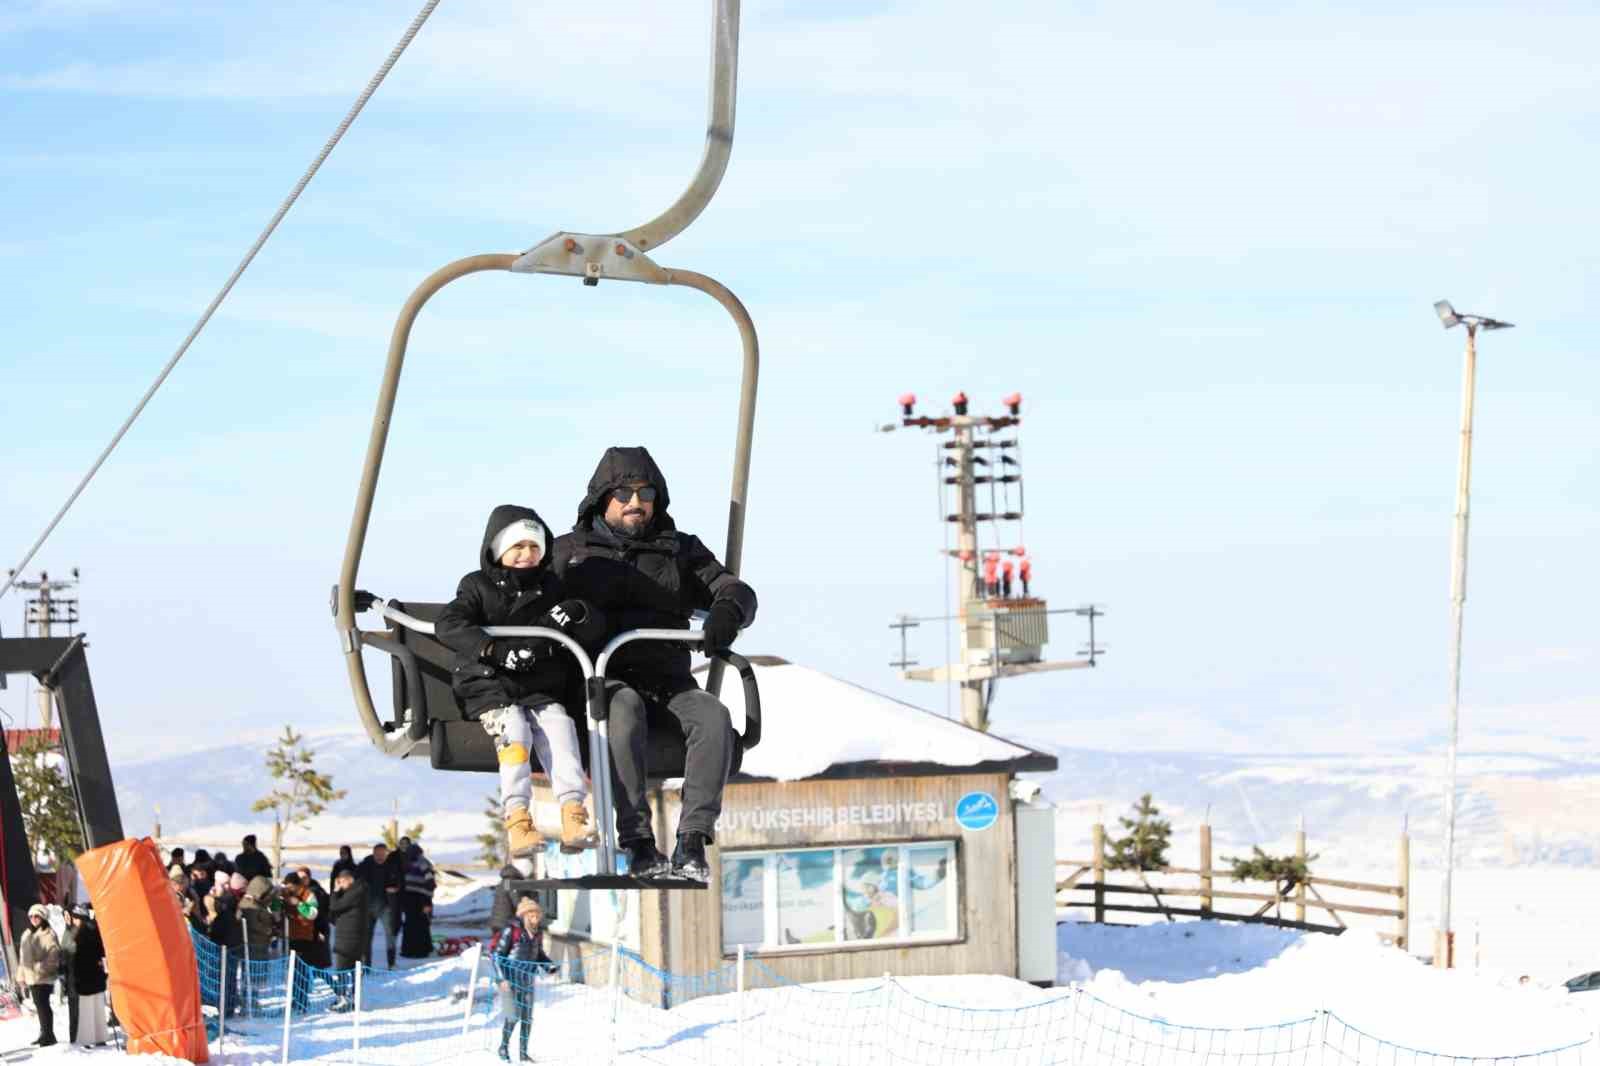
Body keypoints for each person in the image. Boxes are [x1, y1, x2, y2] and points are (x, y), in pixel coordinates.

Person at [552, 447, 757, 881]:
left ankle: (693, 839)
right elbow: (523, 595)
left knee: (713, 716)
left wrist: (727, 611)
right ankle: (638, 841)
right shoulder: (571, 553)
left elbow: (735, 590)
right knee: (622, 712)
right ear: (602, 498)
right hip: (605, 680)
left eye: (645, 492)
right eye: (624, 493)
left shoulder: (679, 550)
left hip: (668, 681)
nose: (635, 502)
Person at [436, 504, 604, 858]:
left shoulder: (552, 588)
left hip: (537, 687)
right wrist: (492, 649)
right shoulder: (477, 587)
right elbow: (450, 624)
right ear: (499, 551)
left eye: (534, 547)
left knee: (560, 727)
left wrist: (577, 611)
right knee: (515, 733)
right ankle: (518, 819)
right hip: (490, 687)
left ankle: (573, 812)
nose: (527, 555)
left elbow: (589, 624)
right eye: (518, 547)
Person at [491, 897, 553, 1062]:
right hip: (510, 980)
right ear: (524, 915)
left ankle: (523, 1053)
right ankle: (503, 1047)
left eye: (537, 915)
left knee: (527, 1017)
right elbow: (497, 955)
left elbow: (539, 954)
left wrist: (549, 966)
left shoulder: (536, 934)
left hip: (527, 980)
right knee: (513, 1015)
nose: (536, 918)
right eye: (532, 915)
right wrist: (501, 978)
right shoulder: (512, 931)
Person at [18, 904, 61, 1046]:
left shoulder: (48, 933)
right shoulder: (27, 933)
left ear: (42, 917)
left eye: (36, 916)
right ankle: (44, 1033)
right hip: (31, 977)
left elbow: (53, 955)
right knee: (39, 1006)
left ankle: (49, 1035)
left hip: (43, 977)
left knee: (43, 1005)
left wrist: (38, 968)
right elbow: (23, 958)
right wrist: (21, 975)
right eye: (31, 916)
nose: (33, 919)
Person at [65, 905, 108, 1046]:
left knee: (86, 1011)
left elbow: (73, 957)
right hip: (96, 975)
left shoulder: (78, 933)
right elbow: (102, 953)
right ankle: (100, 1037)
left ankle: (87, 1039)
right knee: (98, 1010)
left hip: (83, 978)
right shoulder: (95, 929)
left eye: (75, 918)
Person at [327, 868, 368, 1010]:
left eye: (341, 882)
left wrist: (335, 892)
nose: (340, 884)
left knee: (343, 969)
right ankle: (349, 998)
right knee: (350, 969)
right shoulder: (356, 890)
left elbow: (335, 906)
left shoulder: (356, 891)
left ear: (349, 879)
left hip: (349, 938)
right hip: (350, 935)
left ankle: (344, 998)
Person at [355, 843, 399, 968]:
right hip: (368, 906)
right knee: (366, 937)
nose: (380, 857)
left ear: (386, 854)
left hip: (386, 906)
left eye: (382, 854)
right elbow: (355, 882)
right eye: (377, 854)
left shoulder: (392, 865)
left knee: (390, 935)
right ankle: (366, 964)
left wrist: (395, 888)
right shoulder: (364, 866)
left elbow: (399, 882)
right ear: (373, 853)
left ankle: (391, 963)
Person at [399, 844, 436, 959]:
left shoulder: (424, 863)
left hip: (421, 897)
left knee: (420, 925)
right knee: (410, 924)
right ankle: (408, 950)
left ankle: (421, 951)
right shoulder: (406, 863)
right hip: (408, 897)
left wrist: (427, 901)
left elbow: (431, 883)